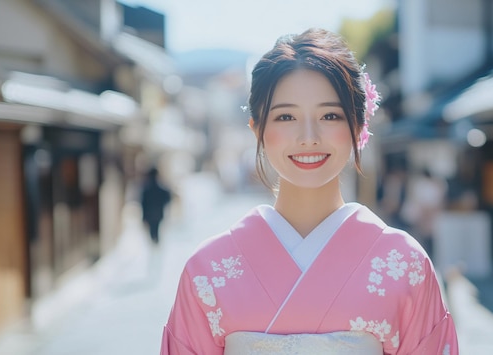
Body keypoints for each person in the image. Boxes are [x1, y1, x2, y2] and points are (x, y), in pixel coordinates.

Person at [161, 28, 458, 354]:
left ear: (358, 126)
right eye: (286, 116)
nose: (308, 137)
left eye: (330, 115)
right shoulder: (206, 271)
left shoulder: (405, 265)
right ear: (257, 129)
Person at [140, 167, 171, 245]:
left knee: (152, 232)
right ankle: (156, 244)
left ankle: (154, 244)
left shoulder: (146, 189)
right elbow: (167, 198)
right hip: (158, 214)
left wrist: (143, 217)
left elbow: (143, 204)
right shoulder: (160, 188)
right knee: (156, 231)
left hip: (149, 215)